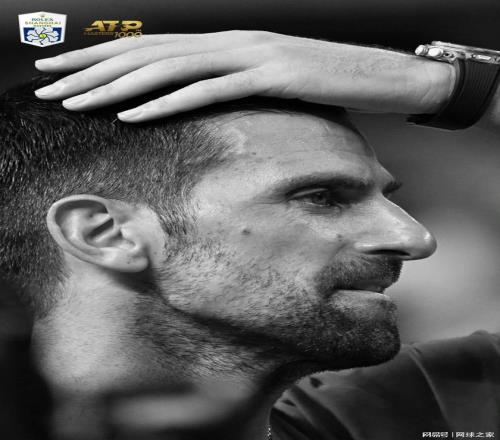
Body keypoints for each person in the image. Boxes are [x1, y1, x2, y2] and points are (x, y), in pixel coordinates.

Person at [5, 31, 500, 438]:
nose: (414, 239)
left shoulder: (412, 408)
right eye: (322, 197)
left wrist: (446, 83)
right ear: (106, 234)